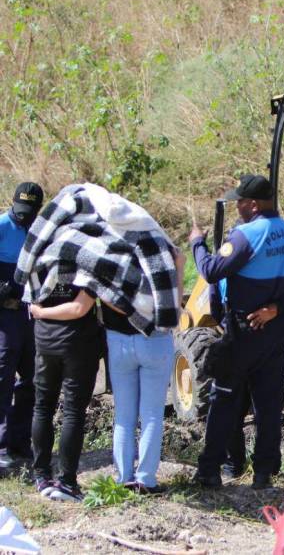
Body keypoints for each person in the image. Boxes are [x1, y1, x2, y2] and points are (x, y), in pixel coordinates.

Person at [189, 174, 284, 490]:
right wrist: (277, 307)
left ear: (253, 204)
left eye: (240, 202)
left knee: (224, 398)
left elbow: (211, 271)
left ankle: (210, 471)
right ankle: (264, 473)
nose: (238, 208)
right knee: (269, 403)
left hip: (244, 329)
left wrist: (197, 244)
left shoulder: (246, 235)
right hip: (276, 328)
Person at [102, 244, 185, 494]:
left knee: (124, 415)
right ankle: (146, 479)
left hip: (118, 340)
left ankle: (123, 477)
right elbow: (175, 304)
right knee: (151, 415)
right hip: (155, 340)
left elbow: (103, 296)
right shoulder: (162, 255)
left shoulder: (109, 254)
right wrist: (179, 266)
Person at [28, 283, 104, 501]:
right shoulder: (88, 259)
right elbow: (79, 308)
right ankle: (66, 481)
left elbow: (32, 301)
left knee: (42, 407)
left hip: (44, 340)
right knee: (73, 412)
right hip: (77, 342)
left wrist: (41, 312)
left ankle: (41, 475)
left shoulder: (39, 257)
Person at [0, 182, 43, 471]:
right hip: (5, 314)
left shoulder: (40, 231)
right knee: (2, 373)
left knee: (33, 376)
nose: (22, 217)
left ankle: (19, 441)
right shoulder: (3, 225)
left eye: (29, 212)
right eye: (19, 211)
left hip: (32, 313)